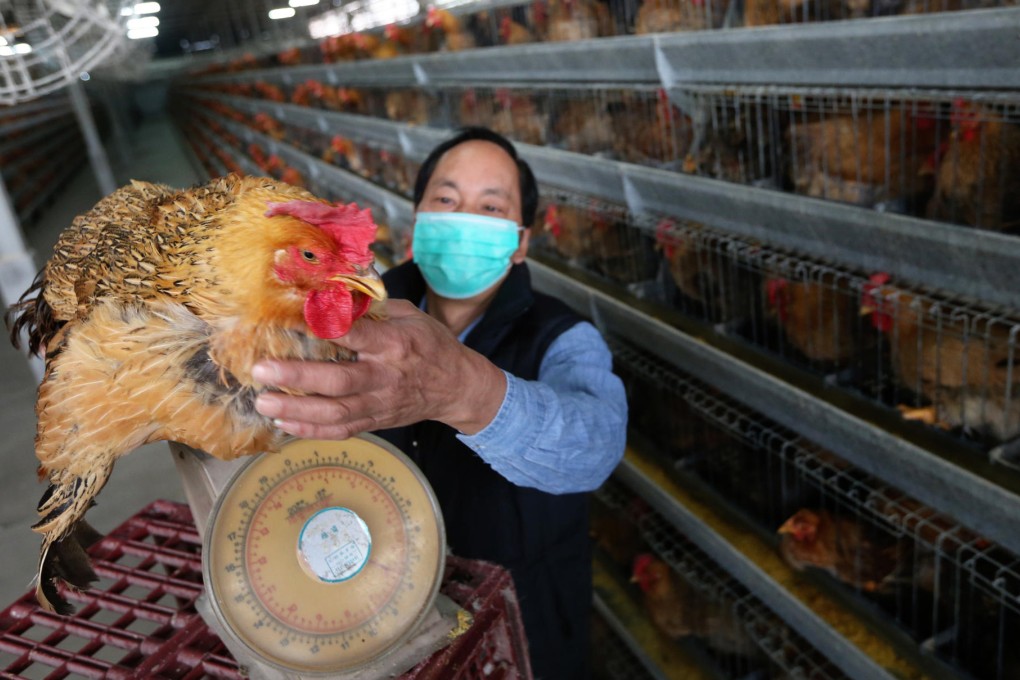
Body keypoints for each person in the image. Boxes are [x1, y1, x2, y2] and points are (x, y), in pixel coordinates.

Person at [251, 127, 628, 679]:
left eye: (491, 206)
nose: (464, 218)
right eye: (447, 200)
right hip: (373, 610)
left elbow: (595, 447)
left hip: (521, 625)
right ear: (418, 221)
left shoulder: (563, 336)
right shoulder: (348, 313)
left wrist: (464, 391)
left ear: (520, 242)